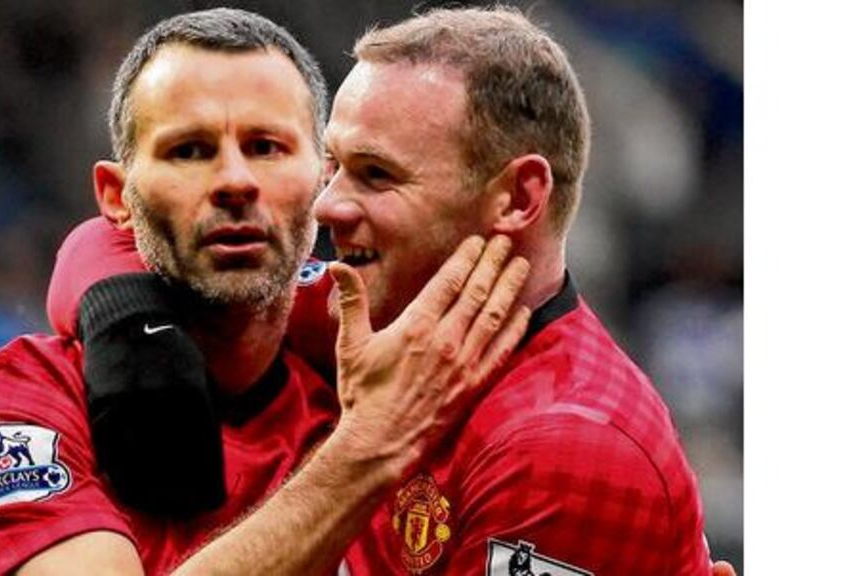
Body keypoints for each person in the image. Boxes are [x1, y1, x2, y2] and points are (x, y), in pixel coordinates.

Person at [45, 6, 736, 576]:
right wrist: (128, 323)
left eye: (376, 175)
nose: (327, 207)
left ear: (518, 197)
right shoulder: (376, 315)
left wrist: (366, 448)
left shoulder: (567, 449)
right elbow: (138, 241)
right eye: (336, 164)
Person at [0, 8, 531, 575]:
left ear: (323, 182)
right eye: (189, 151)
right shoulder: (7, 417)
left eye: (266, 147)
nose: (235, 181)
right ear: (116, 198)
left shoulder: (373, 365)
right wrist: (368, 450)